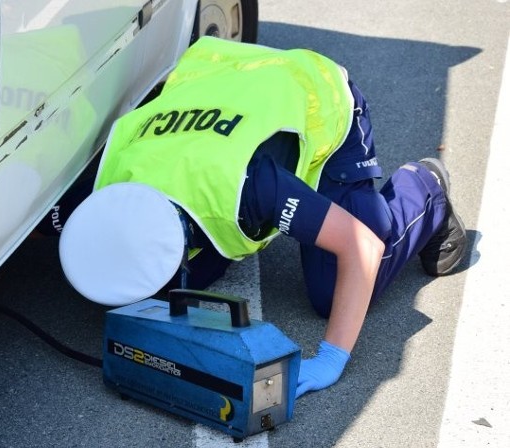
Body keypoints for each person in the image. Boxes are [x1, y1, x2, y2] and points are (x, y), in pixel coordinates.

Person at [56, 37, 467, 398]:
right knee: (179, 289)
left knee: (336, 290)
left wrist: (331, 357)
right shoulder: (101, 185)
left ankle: (425, 191)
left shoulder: (247, 188)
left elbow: (360, 246)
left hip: (314, 98)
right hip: (222, 76)